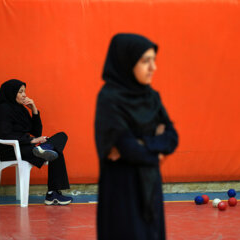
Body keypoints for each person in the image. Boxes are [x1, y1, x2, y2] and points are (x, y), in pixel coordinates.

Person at [95, 33, 179, 240]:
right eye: (145, 61)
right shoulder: (109, 99)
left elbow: (172, 137)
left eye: (154, 60)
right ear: (127, 62)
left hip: (151, 186)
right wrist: (156, 151)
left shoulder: (151, 97)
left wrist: (143, 143)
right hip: (122, 189)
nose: (153, 68)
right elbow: (127, 148)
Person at [0, 79, 73, 205]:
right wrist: (31, 140)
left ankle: (43, 149)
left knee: (62, 136)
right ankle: (52, 194)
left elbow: (36, 132)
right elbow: (4, 134)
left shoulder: (21, 110)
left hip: (26, 146)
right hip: (11, 149)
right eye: (20, 92)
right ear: (11, 93)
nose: (24, 95)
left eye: (24, 91)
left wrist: (34, 109)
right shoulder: (3, 110)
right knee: (55, 151)